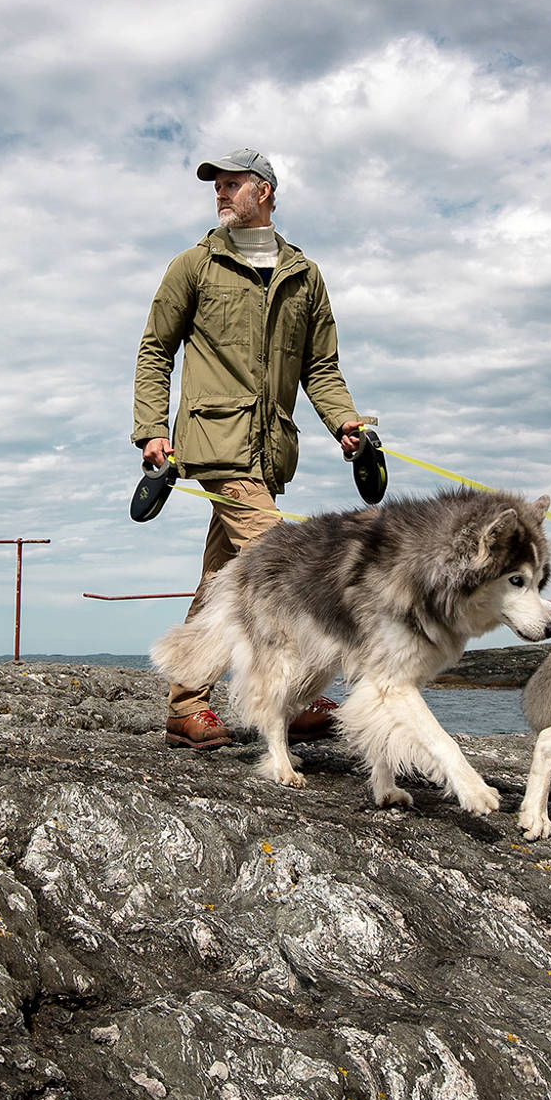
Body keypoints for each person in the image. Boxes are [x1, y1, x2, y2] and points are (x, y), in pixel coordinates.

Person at [131, 147, 367, 749]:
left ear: (264, 191)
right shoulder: (194, 266)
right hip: (214, 442)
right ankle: (292, 696)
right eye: (217, 186)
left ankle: (186, 706)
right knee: (283, 561)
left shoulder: (304, 275)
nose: (220, 194)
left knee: (220, 580)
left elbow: (322, 367)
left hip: (268, 449)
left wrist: (346, 426)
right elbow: (156, 349)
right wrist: (152, 428)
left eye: (232, 184)